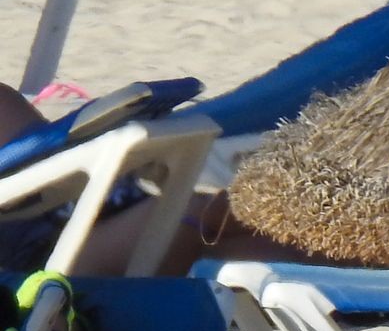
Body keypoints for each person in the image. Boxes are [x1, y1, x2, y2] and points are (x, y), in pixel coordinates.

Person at [0, 83, 295, 276]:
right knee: (195, 212)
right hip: (44, 258)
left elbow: (45, 152)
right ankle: (320, 245)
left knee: (212, 214)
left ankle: (319, 254)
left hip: (96, 199)